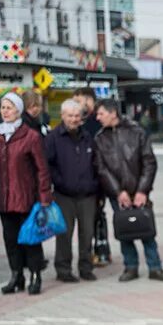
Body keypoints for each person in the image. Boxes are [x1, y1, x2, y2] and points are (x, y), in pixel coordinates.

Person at [0, 92, 52, 295]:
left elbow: (42, 169)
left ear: (18, 110)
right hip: (3, 199)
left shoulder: (31, 136)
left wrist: (44, 196)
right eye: (3, 107)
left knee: (30, 239)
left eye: (9, 107)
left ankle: (35, 276)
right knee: (10, 240)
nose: (5, 111)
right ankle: (16, 275)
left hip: (26, 197)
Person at [94, 98, 163, 283]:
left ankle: (155, 267)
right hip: (117, 193)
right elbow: (101, 169)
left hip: (139, 190)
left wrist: (142, 190)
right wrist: (118, 192)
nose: (97, 117)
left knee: (146, 229)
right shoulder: (100, 138)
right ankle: (130, 267)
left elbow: (149, 162)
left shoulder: (136, 131)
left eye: (101, 113)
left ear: (113, 113)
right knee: (125, 230)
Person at [45, 99, 98, 283]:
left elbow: (96, 163)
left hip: (88, 194)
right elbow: (47, 165)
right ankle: (63, 269)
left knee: (87, 234)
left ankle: (86, 267)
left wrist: (95, 184)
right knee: (64, 234)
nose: (74, 119)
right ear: (62, 116)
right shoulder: (53, 138)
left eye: (77, 116)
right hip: (63, 194)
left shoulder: (88, 136)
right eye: (70, 116)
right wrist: (58, 183)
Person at [74, 87, 109, 267]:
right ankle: (97, 250)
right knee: (92, 217)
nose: (77, 105)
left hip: (99, 178)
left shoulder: (97, 121)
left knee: (97, 216)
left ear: (89, 100)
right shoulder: (82, 121)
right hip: (86, 179)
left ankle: (101, 250)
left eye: (79, 101)